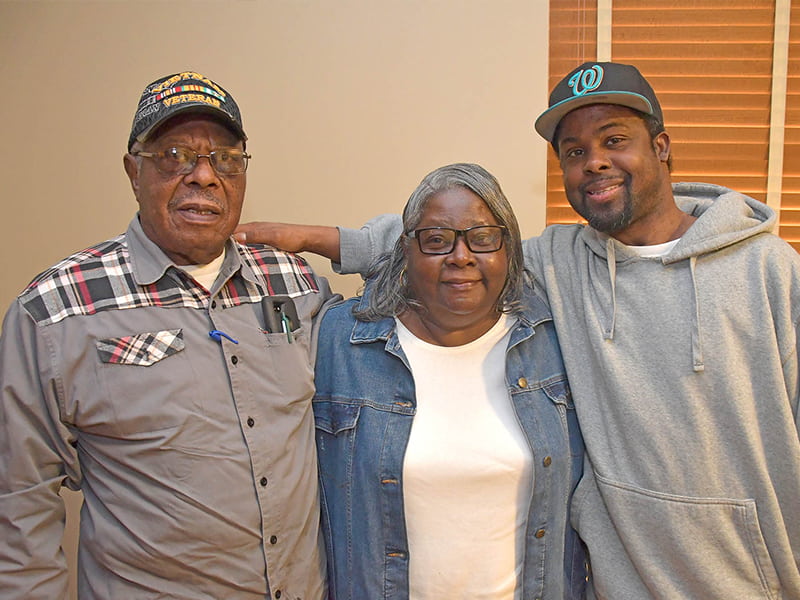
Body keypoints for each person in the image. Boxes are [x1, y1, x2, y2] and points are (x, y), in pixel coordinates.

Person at [236, 62, 800, 598]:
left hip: (759, 578)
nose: (595, 163)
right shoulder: (562, 260)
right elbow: (451, 243)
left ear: (662, 146)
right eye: (575, 152)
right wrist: (320, 237)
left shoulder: (770, 270)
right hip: (623, 583)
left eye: (614, 140)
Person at [0, 71, 339, 599]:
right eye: (175, 154)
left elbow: (429, 280)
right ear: (133, 171)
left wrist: (337, 240)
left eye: (226, 158)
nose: (204, 175)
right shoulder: (56, 310)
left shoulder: (294, 286)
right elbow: (18, 500)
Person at [313, 162, 586, 599]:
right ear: (407, 251)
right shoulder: (337, 343)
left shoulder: (557, 343)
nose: (461, 257)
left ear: (508, 250)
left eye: (482, 238)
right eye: (437, 240)